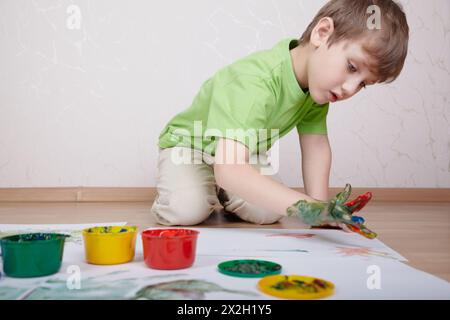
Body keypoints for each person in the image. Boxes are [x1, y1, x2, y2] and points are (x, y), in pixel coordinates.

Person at [150, 0, 409, 229]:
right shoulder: (254, 82)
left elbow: (316, 145)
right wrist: (307, 207)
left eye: (363, 84)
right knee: (186, 209)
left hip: (241, 154)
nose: (350, 89)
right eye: (352, 67)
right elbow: (229, 168)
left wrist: (319, 210)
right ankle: (199, 187)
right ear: (322, 33)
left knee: (267, 212)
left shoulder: (317, 89)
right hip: (190, 147)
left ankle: (222, 190)